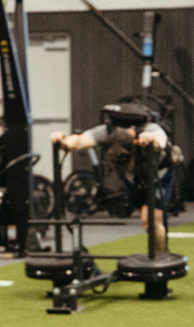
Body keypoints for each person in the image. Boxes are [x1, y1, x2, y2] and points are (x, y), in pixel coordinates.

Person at [53, 104, 181, 252]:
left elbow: (160, 140)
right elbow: (79, 141)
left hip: (159, 175)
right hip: (133, 179)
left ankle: (160, 258)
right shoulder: (106, 132)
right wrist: (63, 142)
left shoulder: (150, 129)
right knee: (146, 216)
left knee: (150, 220)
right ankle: (161, 242)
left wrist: (151, 140)